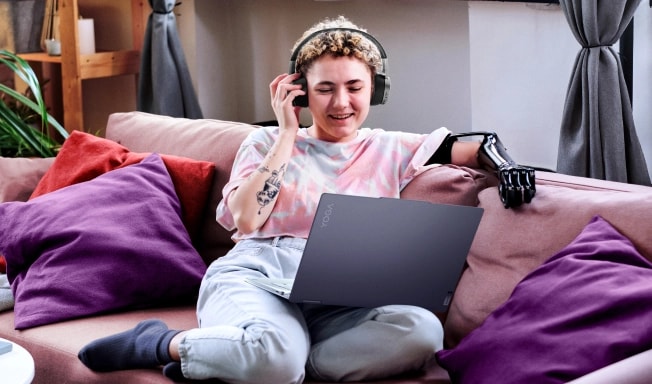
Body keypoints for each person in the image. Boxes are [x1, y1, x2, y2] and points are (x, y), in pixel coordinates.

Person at [78, 16, 534, 383]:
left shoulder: (391, 147)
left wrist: (509, 165)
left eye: (354, 87)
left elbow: (475, 146)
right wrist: (287, 136)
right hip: (257, 276)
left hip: (342, 296)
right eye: (324, 89)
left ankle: (284, 363)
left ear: (373, 87)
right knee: (276, 358)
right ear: (298, 92)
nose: (341, 102)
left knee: (422, 330)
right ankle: (162, 343)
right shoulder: (264, 144)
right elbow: (248, 218)